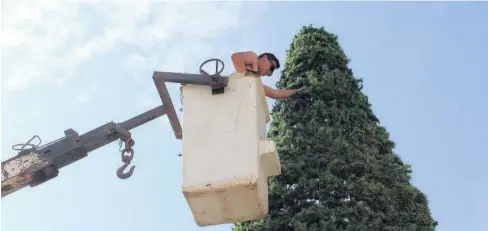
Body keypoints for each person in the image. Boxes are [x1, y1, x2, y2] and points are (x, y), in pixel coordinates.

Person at [231, 51, 298, 99]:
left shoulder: (256, 84)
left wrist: (298, 91)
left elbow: (275, 93)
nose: (269, 72)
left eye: (271, 72)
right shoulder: (253, 57)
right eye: (271, 68)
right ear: (265, 58)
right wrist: (249, 77)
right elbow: (235, 57)